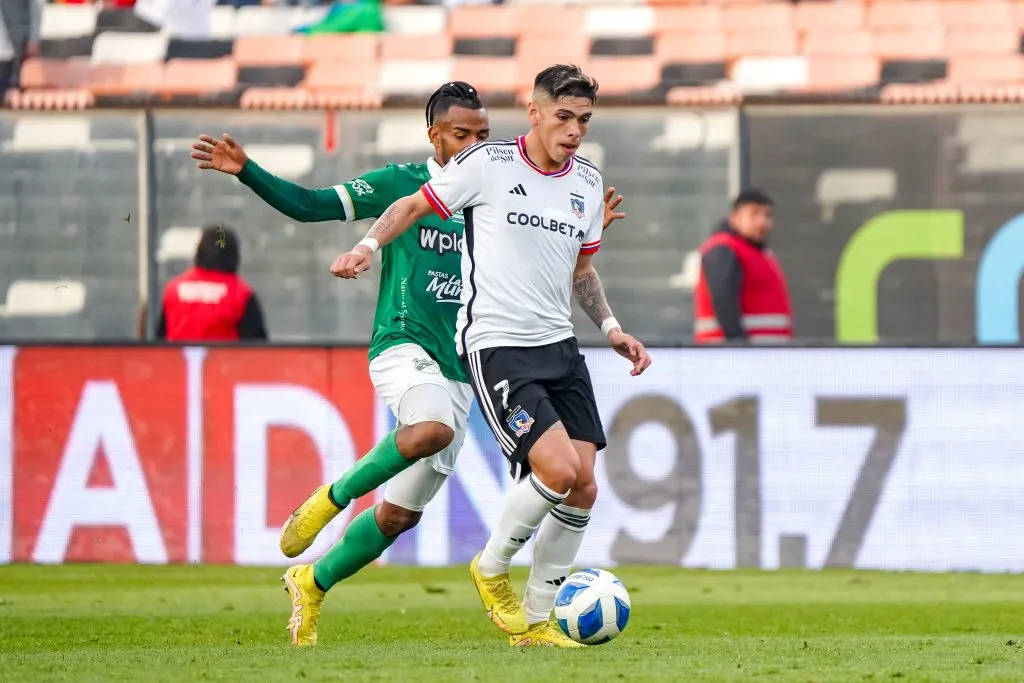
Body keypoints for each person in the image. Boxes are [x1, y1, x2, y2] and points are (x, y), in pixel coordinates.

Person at [190, 81, 627, 648]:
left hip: (462, 367)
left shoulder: (500, 185)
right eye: (461, 134)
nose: (472, 143)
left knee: (399, 517)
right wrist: (249, 172)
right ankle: (331, 499)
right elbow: (312, 205)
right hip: (403, 344)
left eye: (482, 134)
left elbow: (550, 255)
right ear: (435, 135)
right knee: (430, 428)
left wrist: (575, 236)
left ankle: (311, 581)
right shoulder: (406, 184)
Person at [330, 64, 651, 648]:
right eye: (563, 117)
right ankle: (491, 565)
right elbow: (411, 207)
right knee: (557, 470)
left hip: (562, 348)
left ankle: (534, 621)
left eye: (583, 120)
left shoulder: (585, 182)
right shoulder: (488, 165)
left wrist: (611, 327)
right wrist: (367, 245)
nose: (574, 130)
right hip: (499, 346)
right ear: (534, 113)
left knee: (584, 487)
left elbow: (582, 270)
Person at [693, 189, 793, 344]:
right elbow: (723, 299)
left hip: (760, 356)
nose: (762, 222)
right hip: (731, 358)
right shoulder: (724, 249)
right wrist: (740, 346)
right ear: (735, 218)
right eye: (754, 214)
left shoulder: (756, 252)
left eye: (767, 215)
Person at [156, 224, 268, 341]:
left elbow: (160, 342)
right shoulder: (240, 295)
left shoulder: (173, 290)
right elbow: (258, 349)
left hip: (178, 359)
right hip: (226, 359)